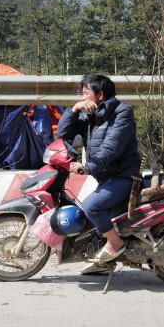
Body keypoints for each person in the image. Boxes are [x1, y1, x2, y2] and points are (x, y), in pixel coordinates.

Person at [57, 74, 141, 272]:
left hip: (123, 176)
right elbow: (63, 134)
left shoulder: (122, 112)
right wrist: (74, 110)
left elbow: (112, 148)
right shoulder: (89, 114)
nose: (82, 96)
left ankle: (115, 244)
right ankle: (104, 261)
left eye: (86, 93)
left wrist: (89, 167)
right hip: (106, 178)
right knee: (89, 217)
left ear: (100, 95)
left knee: (91, 206)